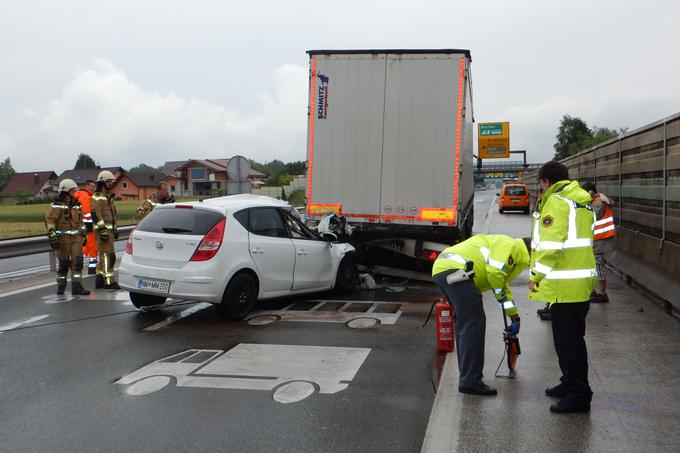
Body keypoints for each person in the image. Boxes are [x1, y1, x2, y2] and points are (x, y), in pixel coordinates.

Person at [528, 160, 597, 413]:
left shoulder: (557, 202)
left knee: (569, 342)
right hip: (579, 281)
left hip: (566, 284)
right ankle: (569, 382)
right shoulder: (581, 201)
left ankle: (579, 394)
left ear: (546, 182)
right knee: (571, 339)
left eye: (541, 186)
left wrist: (536, 275)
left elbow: (551, 245)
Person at [432, 234, 530, 395]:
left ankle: (468, 376)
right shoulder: (512, 247)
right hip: (458, 272)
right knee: (473, 323)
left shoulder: (508, 248)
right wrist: (501, 298)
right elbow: (495, 275)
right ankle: (470, 381)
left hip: (446, 269)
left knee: (466, 323)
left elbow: (502, 285)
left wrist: (514, 316)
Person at [45, 179, 91, 296]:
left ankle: (77, 286)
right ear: (66, 191)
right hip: (63, 240)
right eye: (73, 190)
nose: (75, 193)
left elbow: (80, 222)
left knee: (78, 263)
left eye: (76, 190)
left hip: (76, 239)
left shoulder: (77, 204)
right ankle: (61, 286)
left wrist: (83, 234)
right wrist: (52, 232)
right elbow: (50, 220)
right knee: (64, 265)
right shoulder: (57, 205)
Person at [581, 181, 616, 303]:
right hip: (597, 239)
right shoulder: (596, 201)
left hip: (600, 239)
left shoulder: (599, 203)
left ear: (590, 192)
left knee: (598, 266)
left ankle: (602, 293)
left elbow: (590, 218)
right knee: (594, 265)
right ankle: (595, 291)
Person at [91, 170, 120, 290]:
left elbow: (112, 216)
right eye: (108, 182)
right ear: (102, 182)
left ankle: (99, 279)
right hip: (103, 232)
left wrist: (115, 229)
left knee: (104, 256)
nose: (110, 184)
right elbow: (96, 214)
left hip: (109, 232)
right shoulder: (97, 197)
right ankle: (109, 282)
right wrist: (102, 230)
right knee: (109, 256)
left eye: (111, 182)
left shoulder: (107, 197)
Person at [73, 180, 98, 274]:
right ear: (86, 186)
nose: (93, 188)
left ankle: (78, 264)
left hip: (84, 226)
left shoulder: (84, 195)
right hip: (88, 226)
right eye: (91, 186)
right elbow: (87, 213)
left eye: (94, 186)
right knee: (93, 247)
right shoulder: (85, 196)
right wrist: (91, 225)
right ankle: (91, 267)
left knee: (87, 246)